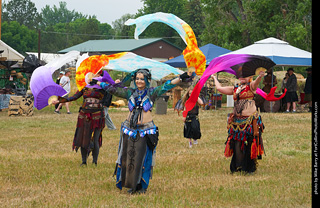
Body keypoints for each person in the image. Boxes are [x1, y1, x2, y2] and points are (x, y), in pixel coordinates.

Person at [96, 69, 190, 194]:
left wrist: (181, 77)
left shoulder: (152, 92)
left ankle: (141, 185)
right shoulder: (130, 92)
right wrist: (98, 83)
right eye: (137, 79)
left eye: (142, 79)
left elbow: (167, 85)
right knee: (129, 156)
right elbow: (114, 90)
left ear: (147, 80)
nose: (139, 81)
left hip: (146, 130)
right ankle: (131, 183)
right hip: (129, 128)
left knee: (143, 157)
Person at [52, 72, 111, 166]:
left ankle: (94, 162)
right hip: (84, 115)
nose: (93, 76)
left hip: (97, 115)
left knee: (95, 139)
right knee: (84, 137)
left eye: (97, 74)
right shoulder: (84, 87)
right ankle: (84, 162)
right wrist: (59, 100)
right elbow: (74, 97)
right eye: (91, 74)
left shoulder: (104, 87)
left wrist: (105, 82)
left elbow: (112, 90)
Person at [212, 71, 265, 174]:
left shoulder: (251, 86)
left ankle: (249, 168)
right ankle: (238, 166)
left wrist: (260, 76)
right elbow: (219, 89)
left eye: (245, 75)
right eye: (241, 76)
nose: (242, 77)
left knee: (250, 143)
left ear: (250, 77)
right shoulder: (235, 88)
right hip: (237, 122)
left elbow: (256, 83)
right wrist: (214, 78)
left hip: (250, 120)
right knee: (237, 143)